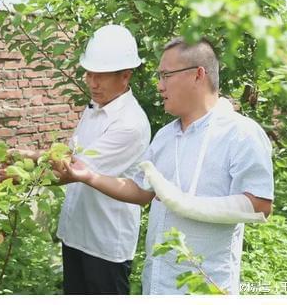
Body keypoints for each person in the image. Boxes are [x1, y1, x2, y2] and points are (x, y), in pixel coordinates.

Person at [56, 37, 274, 294]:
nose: (159, 86)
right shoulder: (165, 136)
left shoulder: (240, 133)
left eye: (166, 76)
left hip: (206, 286)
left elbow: (260, 206)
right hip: (158, 282)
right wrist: (90, 176)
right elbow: (141, 191)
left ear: (198, 75)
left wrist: (184, 203)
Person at [11, 24, 151, 294]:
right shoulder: (96, 107)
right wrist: (29, 155)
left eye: (101, 75)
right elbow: (72, 156)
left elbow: (72, 171)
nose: (92, 82)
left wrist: (19, 174)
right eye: (89, 73)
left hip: (105, 242)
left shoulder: (129, 124)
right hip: (77, 233)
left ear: (125, 76)